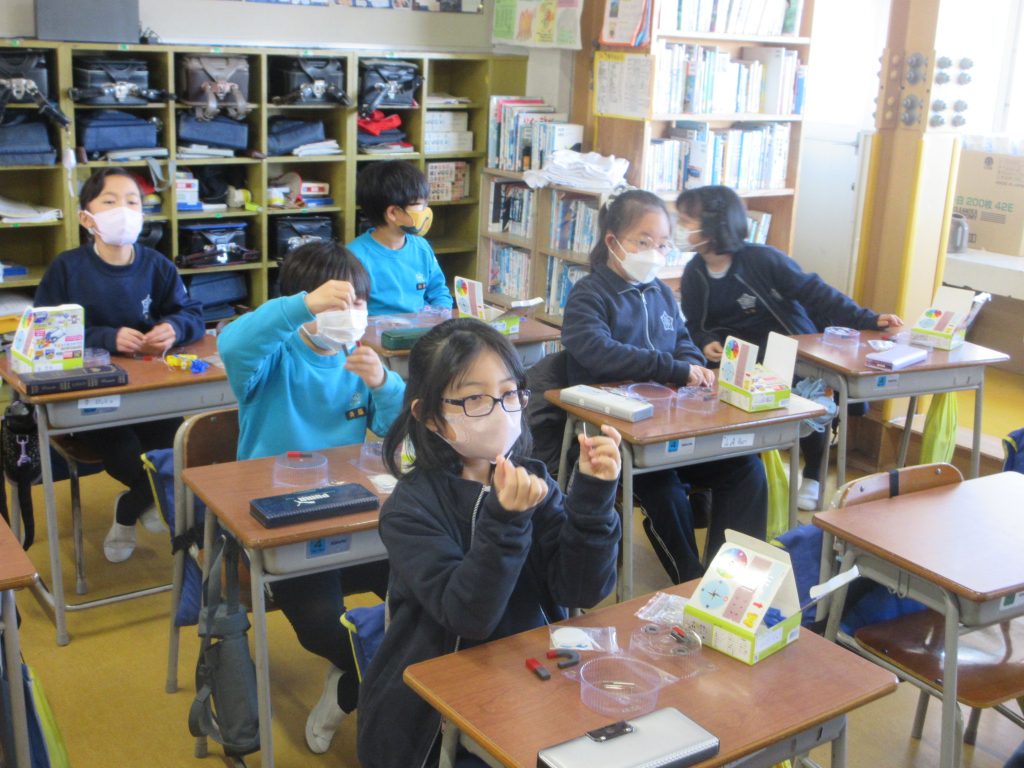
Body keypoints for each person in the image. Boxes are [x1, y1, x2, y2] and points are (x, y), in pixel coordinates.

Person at [357, 318, 622, 768]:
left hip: (536, 671)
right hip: (437, 712)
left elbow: (580, 588)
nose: (500, 410)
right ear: (428, 415)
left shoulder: (533, 479)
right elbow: (468, 616)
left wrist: (594, 497)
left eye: (509, 392)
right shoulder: (410, 509)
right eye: (474, 398)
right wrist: (507, 521)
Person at [218, 240, 405, 754]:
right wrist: (301, 307)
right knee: (322, 625)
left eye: (359, 303)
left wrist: (384, 383)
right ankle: (366, 677)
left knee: (420, 586)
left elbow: (394, 431)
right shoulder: (273, 358)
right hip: (285, 525)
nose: (352, 313)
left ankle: (353, 684)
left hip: (351, 516)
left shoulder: (355, 359)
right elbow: (233, 343)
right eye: (337, 302)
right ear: (306, 305)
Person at [560, 189, 768, 584]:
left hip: (673, 428)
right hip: (617, 437)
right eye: (643, 242)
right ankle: (692, 583)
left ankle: (730, 580)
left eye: (662, 244)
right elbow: (599, 353)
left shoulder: (661, 293)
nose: (654, 253)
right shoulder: (588, 294)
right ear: (613, 242)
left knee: (745, 468)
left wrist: (693, 365)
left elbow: (683, 342)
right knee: (664, 490)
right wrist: (672, 369)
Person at [676, 185, 902, 510]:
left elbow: (816, 292)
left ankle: (813, 474)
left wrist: (868, 318)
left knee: (808, 404)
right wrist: (705, 341)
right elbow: (695, 322)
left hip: (789, 351)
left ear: (714, 223)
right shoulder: (693, 271)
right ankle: (745, 480)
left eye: (687, 221)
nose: (681, 228)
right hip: (740, 360)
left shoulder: (762, 259)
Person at [34, 167, 204, 563]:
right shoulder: (67, 268)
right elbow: (45, 332)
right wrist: (106, 338)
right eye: (110, 202)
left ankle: (129, 509)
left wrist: (173, 328)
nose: (124, 211)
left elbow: (192, 313)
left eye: (132, 202)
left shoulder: (157, 265)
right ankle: (143, 503)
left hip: (150, 391)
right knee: (128, 456)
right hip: (92, 398)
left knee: (178, 452)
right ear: (86, 217)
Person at [347, 160, 454, 316]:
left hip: (422, 327)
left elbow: (438, 292)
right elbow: (349, 312)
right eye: (420, 205)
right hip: (377, 330)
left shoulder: (422, 247)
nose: (426, 211)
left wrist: (440, 314)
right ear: (393, 213)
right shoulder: (353, 257)